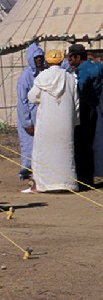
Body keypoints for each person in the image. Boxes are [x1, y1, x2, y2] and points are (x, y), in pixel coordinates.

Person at [27, 49, 79, 192]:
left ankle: (44, 185)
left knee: (44, 152)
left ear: (47, 61)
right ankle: (67, 183)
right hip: (65, 121)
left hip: (46, 121)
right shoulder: (69, 78)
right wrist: (74, 120)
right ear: (62, 61)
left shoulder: (42, 77)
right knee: (65, 152)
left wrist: (44, 99)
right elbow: (76, 102)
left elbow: (32, 97)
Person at [67, 44, 102, 189]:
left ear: (77, 57)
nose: (69, 61)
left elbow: (80, 87)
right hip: (96, 108)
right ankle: (89, 177)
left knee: (82, 145)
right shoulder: (97, 66)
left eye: (71, 58)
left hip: (86, 110)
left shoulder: (83, 71)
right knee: (90, 144)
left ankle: (84, 179)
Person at [16, 43, 45, 180]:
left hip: (41, 114)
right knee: (29, 145)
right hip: (29, 115)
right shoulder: (25, 76)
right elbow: (22, 101)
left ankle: (40, 172)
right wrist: (27, 122)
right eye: (36, 57)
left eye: (40, 56)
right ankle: (26, 172)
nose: (39, 59)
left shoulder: (44, 72)